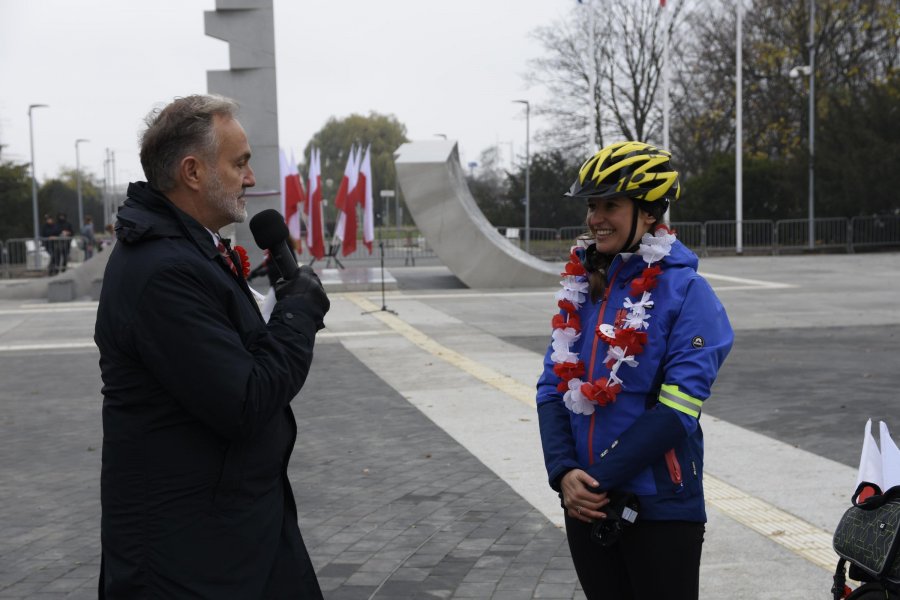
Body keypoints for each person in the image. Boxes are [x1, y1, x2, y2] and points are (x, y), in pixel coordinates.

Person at [94, 94, 329, 599]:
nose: (250, 176)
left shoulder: (191, 249)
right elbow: (244, 400)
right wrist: (298, 315)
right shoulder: (164, 272)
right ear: (193, 171)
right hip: (188, 558)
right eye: (239, 162)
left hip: (233, 530)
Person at [536, 141, 733, 600]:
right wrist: (563, 473)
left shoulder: (688, 292)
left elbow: (678, 409)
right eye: (592, 205)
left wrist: (595, 481)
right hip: (585, 504)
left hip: (659, 507)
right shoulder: (581, 289)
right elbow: (551, 389)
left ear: (647, 213)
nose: (596, 217)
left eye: (611, 204)